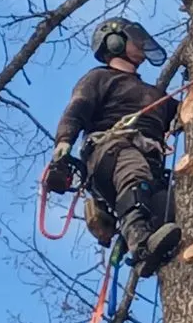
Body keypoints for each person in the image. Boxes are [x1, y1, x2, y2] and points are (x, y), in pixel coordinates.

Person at [49, 17, 182, 277]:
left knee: (166, 205)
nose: (142, 43)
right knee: (132, 170)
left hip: (150, 165)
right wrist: (64, 142)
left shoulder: (155, 95)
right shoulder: (100, 78)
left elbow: (183, 113)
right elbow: (77, 109)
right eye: (135, 37)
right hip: (111, 151)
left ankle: (154, 251)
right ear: (115, 41)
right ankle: (140, 245)